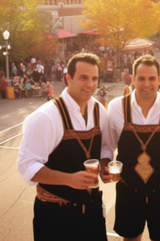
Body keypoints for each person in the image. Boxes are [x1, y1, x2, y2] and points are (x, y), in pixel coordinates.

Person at [17, 53, 109, 240]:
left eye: (94, 78)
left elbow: (105, 146)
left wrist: (105, 164)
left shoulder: (100, 111)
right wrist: (69, 179)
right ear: (68, 78)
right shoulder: (46, 116)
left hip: (92, 212)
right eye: (83, 78)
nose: (90, 84)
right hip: (56, 217)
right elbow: (27, 167)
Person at [102, 55, 160, 241]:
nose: (147, 84)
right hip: (128, 190)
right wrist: (104, 164)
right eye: (141, 78)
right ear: (133, 79)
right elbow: (108, 145)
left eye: (152, 78)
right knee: (130, 238)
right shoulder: (116, 107)